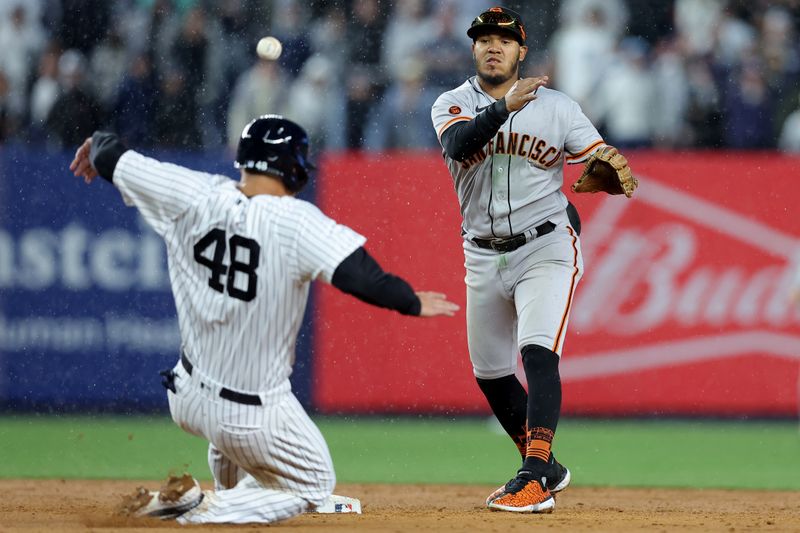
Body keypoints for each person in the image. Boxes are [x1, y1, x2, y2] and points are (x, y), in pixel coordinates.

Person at [69, 115, 459, 524]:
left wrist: (95, 144)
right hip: (250, 411)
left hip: (184, 394)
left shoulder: (192, 192)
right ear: (292, 167)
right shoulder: (295, 221)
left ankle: (227, 502)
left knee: (234, 444)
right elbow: (361, 277)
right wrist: (409, 301)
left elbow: (110, 153)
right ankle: (199, 509)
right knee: (312, 483)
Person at [430, 7, 634, 513]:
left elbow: (596, 155)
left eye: (504, 39)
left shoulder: (558, 107)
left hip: (545, 245)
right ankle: (547, 465)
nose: (493, 46)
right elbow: (460, 144)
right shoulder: (450, 103)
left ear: (522, 51)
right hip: (479, 251)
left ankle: (534, 477)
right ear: (473, 50)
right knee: (490, 371)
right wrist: (504, 109)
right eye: (483, 39)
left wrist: (601, 161)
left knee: (537, 351)